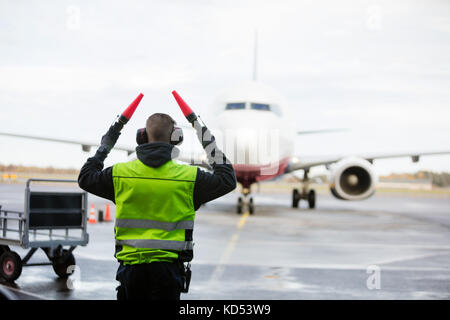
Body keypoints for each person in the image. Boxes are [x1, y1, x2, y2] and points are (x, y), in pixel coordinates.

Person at [78, 112, 236, 300]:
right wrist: (204, 136)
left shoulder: (120, 174)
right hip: (168, 272)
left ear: (142, 136)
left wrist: (107, 143)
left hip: (131, 271)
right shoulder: (190, 177)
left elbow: (86, 177)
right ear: (176, 138)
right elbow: (227, 178)